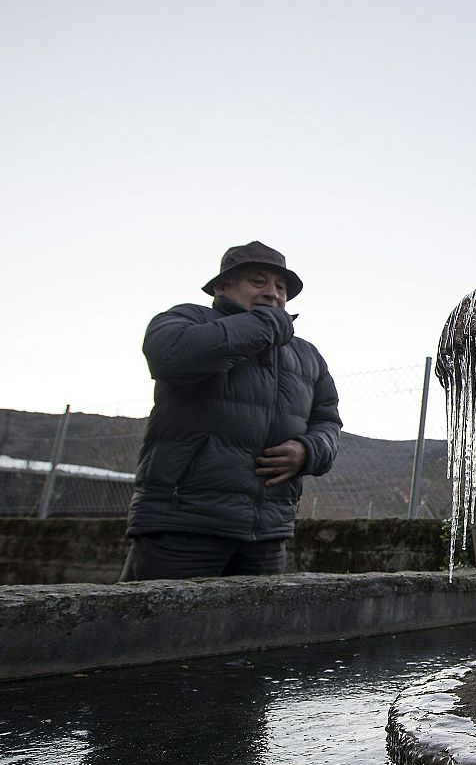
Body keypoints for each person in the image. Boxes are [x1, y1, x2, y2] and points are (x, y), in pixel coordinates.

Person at [120, 241, 341, 580]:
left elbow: (327, 422)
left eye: (280, 287)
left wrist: (308, 451)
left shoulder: (307, 356)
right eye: (258, 282)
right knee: (158, 630)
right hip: (183, 525)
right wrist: (267, 325)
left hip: (268, 533)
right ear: (222, 286)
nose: (273, 294)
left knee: (256, 632)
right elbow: (168, 356)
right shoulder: (186, 320)